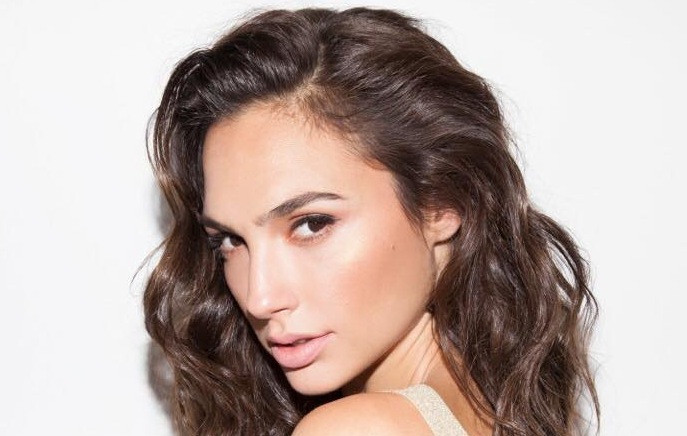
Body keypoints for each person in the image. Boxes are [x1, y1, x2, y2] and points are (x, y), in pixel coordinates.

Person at [143, 6, 600, 436]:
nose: (259, 298)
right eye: (229, 241)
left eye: (311, 224)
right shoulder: (491, 406)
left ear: (443, 203)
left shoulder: (353, 428)